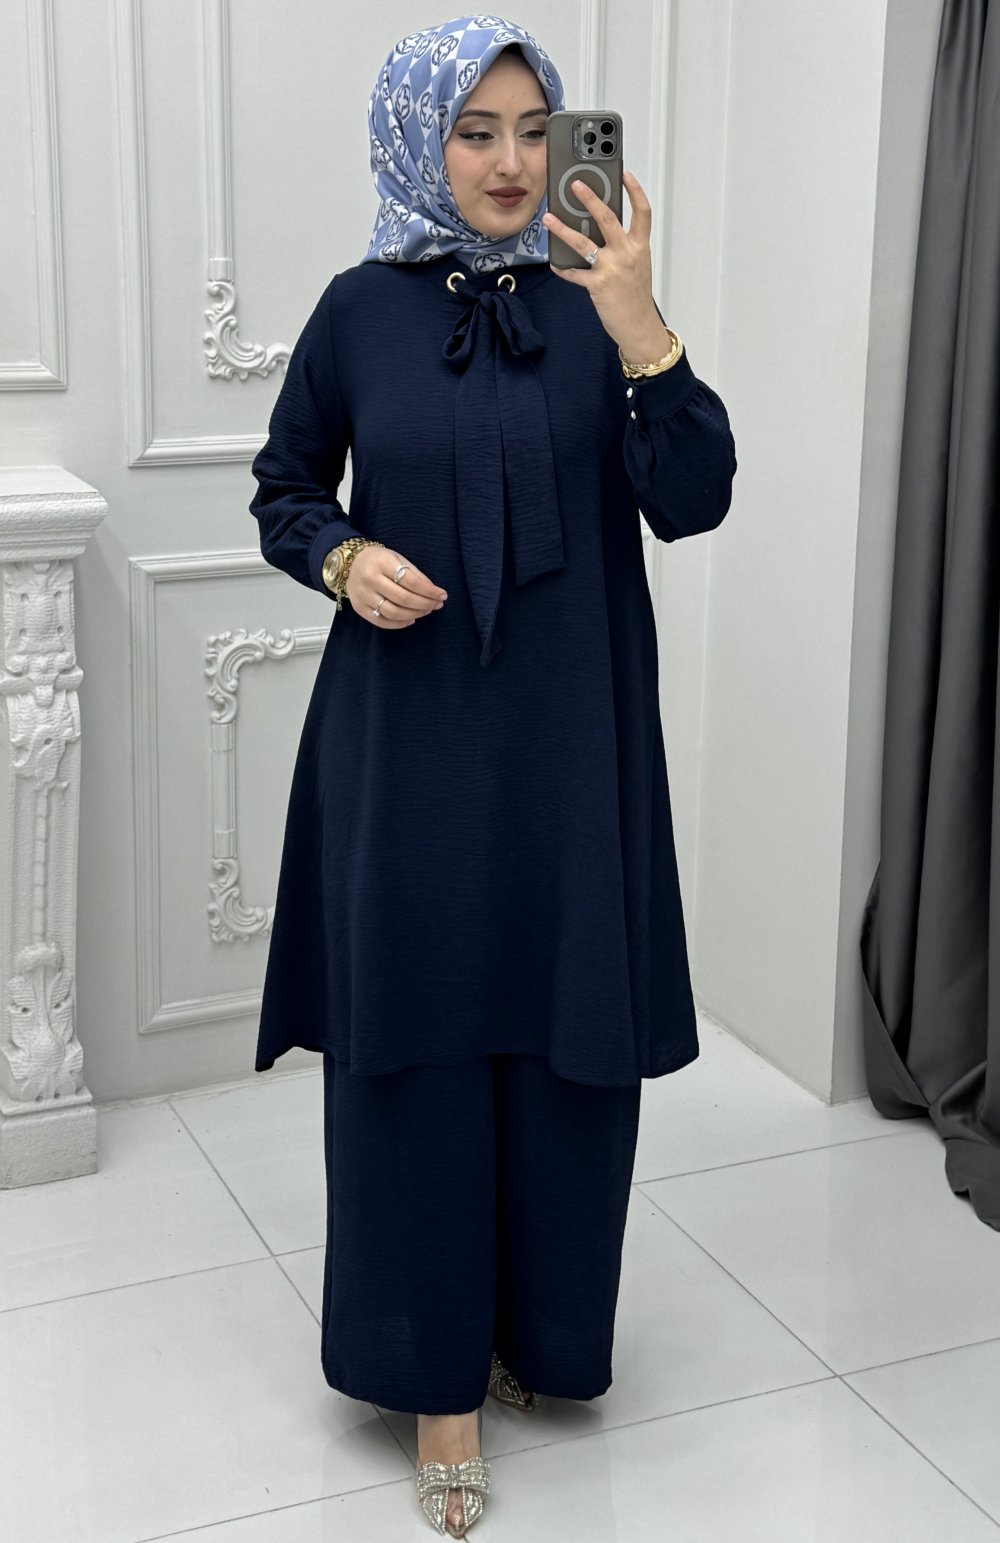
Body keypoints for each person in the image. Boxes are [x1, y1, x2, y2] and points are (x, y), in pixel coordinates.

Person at [248, 14, 737, 1538]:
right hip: (407, 743)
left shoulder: (604, 300)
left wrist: (644, 327)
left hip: (571, 743)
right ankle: (434, 1380)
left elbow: (696, 499)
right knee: (417, 1042)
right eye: (476, 131)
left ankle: (543, 1335)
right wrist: (343, 559)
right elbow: (283, 487)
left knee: (564, 1028)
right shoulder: (355, 311)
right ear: (421, 141)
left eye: (535, 128)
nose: (513, 162)